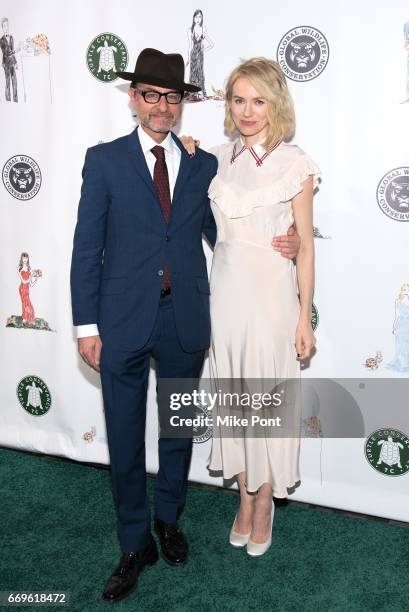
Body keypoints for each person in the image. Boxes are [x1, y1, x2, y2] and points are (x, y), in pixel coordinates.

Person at [70, 48, 300, 603]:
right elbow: (85, 249)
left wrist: (282, 250)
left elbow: (224, 233)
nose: (161, 106)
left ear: (182, 104)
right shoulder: (103, 160)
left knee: (175, 431)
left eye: (171, 97)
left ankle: (168, 521)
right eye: (150, 95)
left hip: (185, 319)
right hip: (122, 321)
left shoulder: (203, 164)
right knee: (125, 438)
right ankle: (133, 543)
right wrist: (86, 325)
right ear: (133, 99)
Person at [185, 57, 319, 556]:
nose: (247, 111)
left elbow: (305, 246)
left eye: (258, 100)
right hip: (225, 298)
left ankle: (264, 503)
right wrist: (190, 151)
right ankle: (242, 497)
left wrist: (305, 315)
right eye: (238, 99)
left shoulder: (296, 164)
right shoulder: (213, 159)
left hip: (270, 300)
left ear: (275, 103)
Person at [186, 9, 213, 99]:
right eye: (196, 17)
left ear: (202, 18)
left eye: (200, 17)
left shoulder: (203, 29)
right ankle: (193, 92)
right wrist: (188, 59)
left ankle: (202, 92)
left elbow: (212, 44)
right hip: (193, 54)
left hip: (200, 55)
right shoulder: (190, 30)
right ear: (193, 18)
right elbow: (190, 45)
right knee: (193, 72)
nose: (198, 19)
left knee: (200, 72)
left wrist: (204, 49)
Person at [386, 283, 409, 372]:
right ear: (401, 291)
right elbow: (396, 315)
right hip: (400, 326)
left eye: (408, 290)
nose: (406, 292)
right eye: (404, 290)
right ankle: (403, 363)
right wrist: (394, 328)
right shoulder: (397, 301)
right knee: (400, 345)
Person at [0, 18, 18, 102]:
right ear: (2, 28)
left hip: (12, 63)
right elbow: (6, 53)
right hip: (6, 63)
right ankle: (8, 101)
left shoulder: (11, 38)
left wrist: (16, 63)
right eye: (4, 26)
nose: (6, 27)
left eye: (7, 25)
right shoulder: (1, 40)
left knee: (14, 82)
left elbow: (12, 51)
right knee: (7, 82)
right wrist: (14, 51)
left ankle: (15, 100)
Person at [18, 252, 37, 326]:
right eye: (23, 258)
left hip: (27, 289)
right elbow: (24, 281)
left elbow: (31, 283)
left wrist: (35, 276)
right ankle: (25, 319)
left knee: (27, 303)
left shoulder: (29, 268)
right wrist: (30, 276)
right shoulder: (19, 268)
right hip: (22, 288)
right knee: (25, 303)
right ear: (21, 259)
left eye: (26, 258)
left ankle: (27, 318)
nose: (25, 259)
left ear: (28, 258)